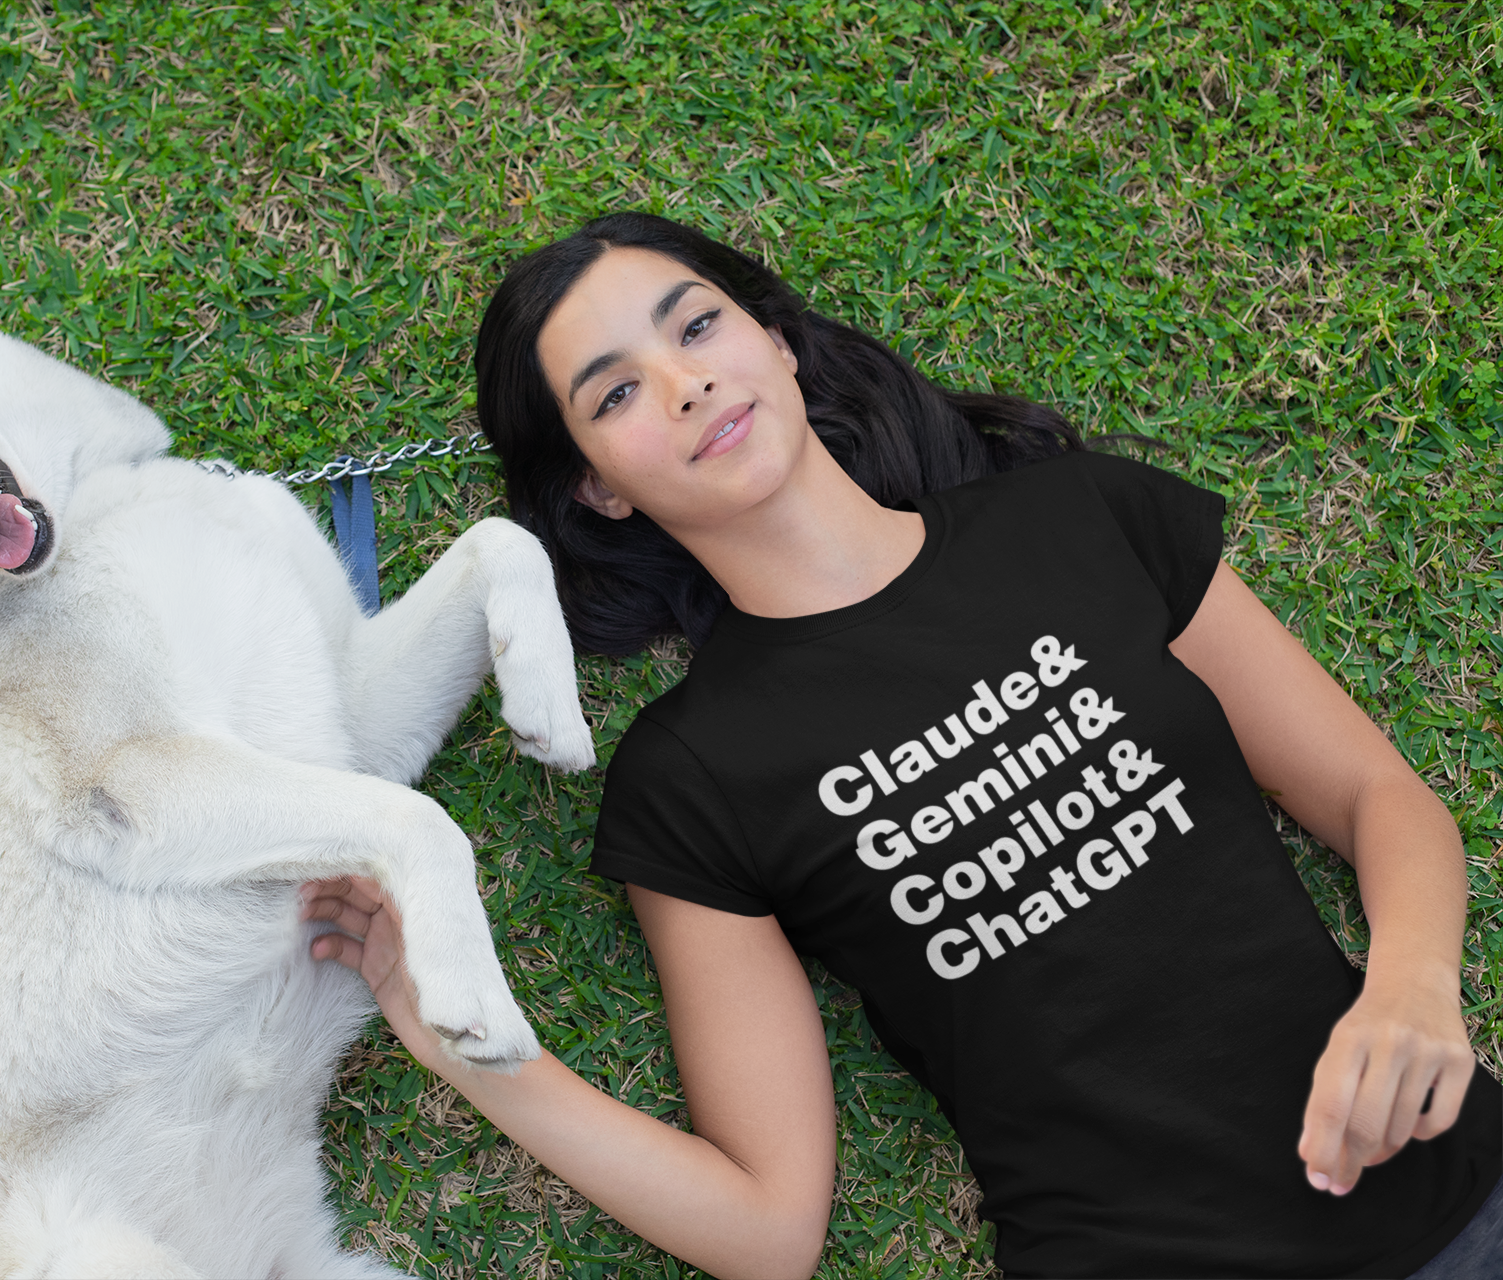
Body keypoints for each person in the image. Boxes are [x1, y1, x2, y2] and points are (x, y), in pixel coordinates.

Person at [301, 212, 1502, 1278]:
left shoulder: (1080, 516)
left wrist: (1410, 984)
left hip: (1465, 1186)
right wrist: (450, 1028)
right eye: (613, 394)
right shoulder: (691, 778)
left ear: (777, 339)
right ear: (598, 490)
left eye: (699, 327)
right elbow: (771, 1228)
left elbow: (1370, 789)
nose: (682, 385)